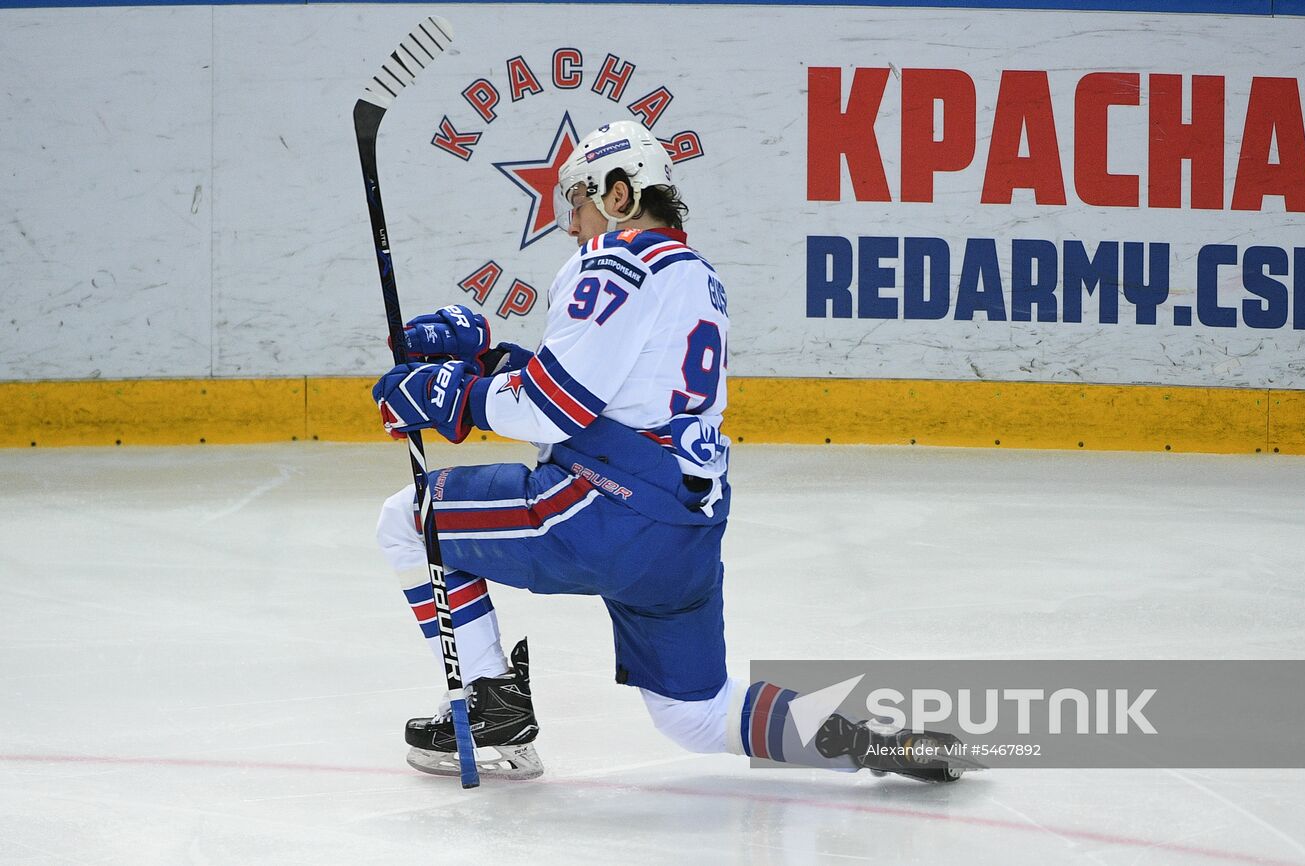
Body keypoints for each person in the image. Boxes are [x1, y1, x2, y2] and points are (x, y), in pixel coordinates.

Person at [372, 121, 966, 784]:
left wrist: (450, 396)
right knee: (697, 715)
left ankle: (493, 705)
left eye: (577, 202)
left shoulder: (613, 261)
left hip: (605, 515)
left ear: (619, 193)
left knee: (407, 520)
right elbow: (613, 398)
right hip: (683, 534)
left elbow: (554, 407)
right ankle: (872, 744)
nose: (569, 224)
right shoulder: (695, 275)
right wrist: (484, 362)